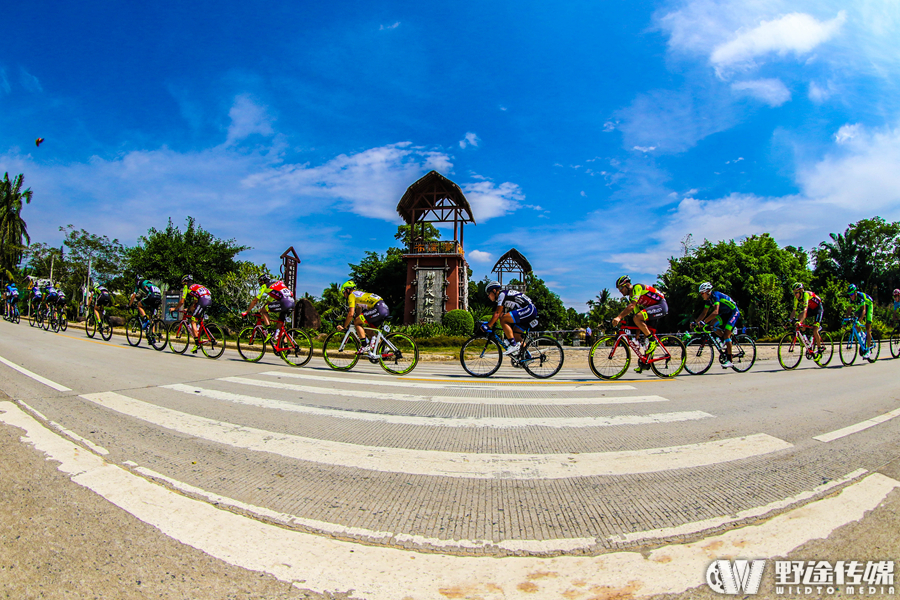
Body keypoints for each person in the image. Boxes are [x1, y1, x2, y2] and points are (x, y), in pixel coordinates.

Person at [611, 275, 667, 361]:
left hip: (661, 305)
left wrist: (619, 317)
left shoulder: (637, 287)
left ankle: (653, 340)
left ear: (628, 284)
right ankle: (646, 362)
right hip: (653, 308)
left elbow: (632, 306)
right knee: (645, 338)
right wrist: (637, 337)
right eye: (619, 289)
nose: (620, 291)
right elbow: (638, 318)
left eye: (621, 287)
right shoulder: (631, 298)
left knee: (638, 320)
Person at [482, 281, 539, 356]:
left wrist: (488, 325)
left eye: (488, 293)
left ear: (494, 291)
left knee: (504, 319)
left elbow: (497, 313)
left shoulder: (501, 295)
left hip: (528, 309)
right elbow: (500, 314)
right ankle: (526, 357)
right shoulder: (503, 296)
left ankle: (513, 345)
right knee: (516, 335)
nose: (488, 296)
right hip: (529, 311)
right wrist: (491, 323)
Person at [694, 282, 740, 369]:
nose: (701, 295)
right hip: (725, 314)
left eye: (702, 293)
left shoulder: (716, 296)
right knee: (712, 325)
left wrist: (704, 322)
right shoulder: (708, 300)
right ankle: (725, 341)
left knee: (726, 334)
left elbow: (715, 312)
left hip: (733, 312)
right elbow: (704, 313)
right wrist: (696, 322)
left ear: (707, 291)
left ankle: (730, 361)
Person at [337, 280, 389, 356]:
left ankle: (364, 345)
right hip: (383, 308)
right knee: (368, 331)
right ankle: (383, 349)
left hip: (378, 308)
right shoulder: (358, 295)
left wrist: (344, 326)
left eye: (343, 292)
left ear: (347, 290)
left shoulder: (351, 295)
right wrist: (353, 321)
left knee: (357, 322)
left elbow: (350, 314)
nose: (344, 294)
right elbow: (358, 314)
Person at [243, 274, 296, 344]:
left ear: (262, 281)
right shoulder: (275, 285)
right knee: (279, 327)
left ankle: (269, 331)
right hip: (292, 303)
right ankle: (286, 347)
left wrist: (247, 311)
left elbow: (255, 301)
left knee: (264, 312)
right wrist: (262, 308)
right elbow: (269, 301)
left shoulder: (265, 286)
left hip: (284, 302)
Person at [170, 275, 213, 353]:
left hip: (203, 300)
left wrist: (175, 308)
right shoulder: (196, 287)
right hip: (209, 300)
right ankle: (201, 335)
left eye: (183, 284)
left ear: (185, 282)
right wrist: (189, 309)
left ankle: (197, 344)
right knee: (198, 318)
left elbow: (182, 301)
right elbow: (195, 303)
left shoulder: (187, 287)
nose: (183, 286)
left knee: (193, 321)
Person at [788, 282, 825, 353]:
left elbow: (805, 309)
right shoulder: (796, 298)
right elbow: (794, 310)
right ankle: (805, 336)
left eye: (796, 293)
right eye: (794, 293)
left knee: (815, 330)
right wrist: (789, 320)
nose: (795, 295)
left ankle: (820, 348)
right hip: (811, 309)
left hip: (818, 309)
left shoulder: (805, 295)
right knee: (799, 315)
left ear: (800, 291)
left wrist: (800, 322)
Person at [846, 284, 875, 358]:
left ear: (855, 292)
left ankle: (868, 350)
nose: (851, 296)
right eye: (849, 295)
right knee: (855, 320)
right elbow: (849, 310)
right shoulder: (851, 299)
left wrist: (860, 320)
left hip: (868, 306)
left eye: (852, 294)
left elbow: (864, 310)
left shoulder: (860, 296)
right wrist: (845, 320)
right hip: (862, 307)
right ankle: (863, 337)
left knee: (868, 328)